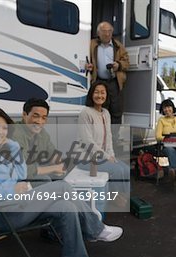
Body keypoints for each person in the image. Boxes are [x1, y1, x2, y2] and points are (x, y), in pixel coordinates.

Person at [0, 106, 124, 257]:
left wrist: (12, 147)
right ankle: (96, 229)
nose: (0, 131)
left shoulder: (1, 149)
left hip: (15, 205)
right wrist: (9, 190)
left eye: (4, 128)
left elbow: (21, 176)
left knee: (66, 207)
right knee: (62, 187)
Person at [75, 81, 130, 210]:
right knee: (117, 170)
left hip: (101, 157)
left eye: (102, 92)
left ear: (106, 95)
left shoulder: (106, 113)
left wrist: (111, 155)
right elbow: (87, 141)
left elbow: (109, 137)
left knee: (125, 169)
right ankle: (117, 199)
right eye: (96, 92)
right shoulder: (86, 113)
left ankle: (123, 197)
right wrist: (106, 156)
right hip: (86, 159)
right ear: (91, 94)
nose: (99, 95)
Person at [86, 21, 129, 131]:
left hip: (114, 82)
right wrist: (88, 66)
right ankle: (100, 136)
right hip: (99, 82)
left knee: (116, 111)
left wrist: (118, 65)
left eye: (109, 31)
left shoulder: (118, 46)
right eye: (104, 31)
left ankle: (114, 139)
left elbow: (127, 63)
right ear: (98, 33)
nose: (107, 34)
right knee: (99, 110)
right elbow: (84, 58)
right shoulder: (91, 45)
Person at [12, 98, 65, 186]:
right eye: (36, 116)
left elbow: (52, 153)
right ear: (24, 115)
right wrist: (54, 168)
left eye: (44, 118)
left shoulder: (42, 133)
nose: (39, 122)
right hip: (13, 179)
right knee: (44, 180)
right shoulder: (15, 132)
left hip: (29, 175)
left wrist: (59, 165)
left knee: (61, 177)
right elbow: (23, 169)